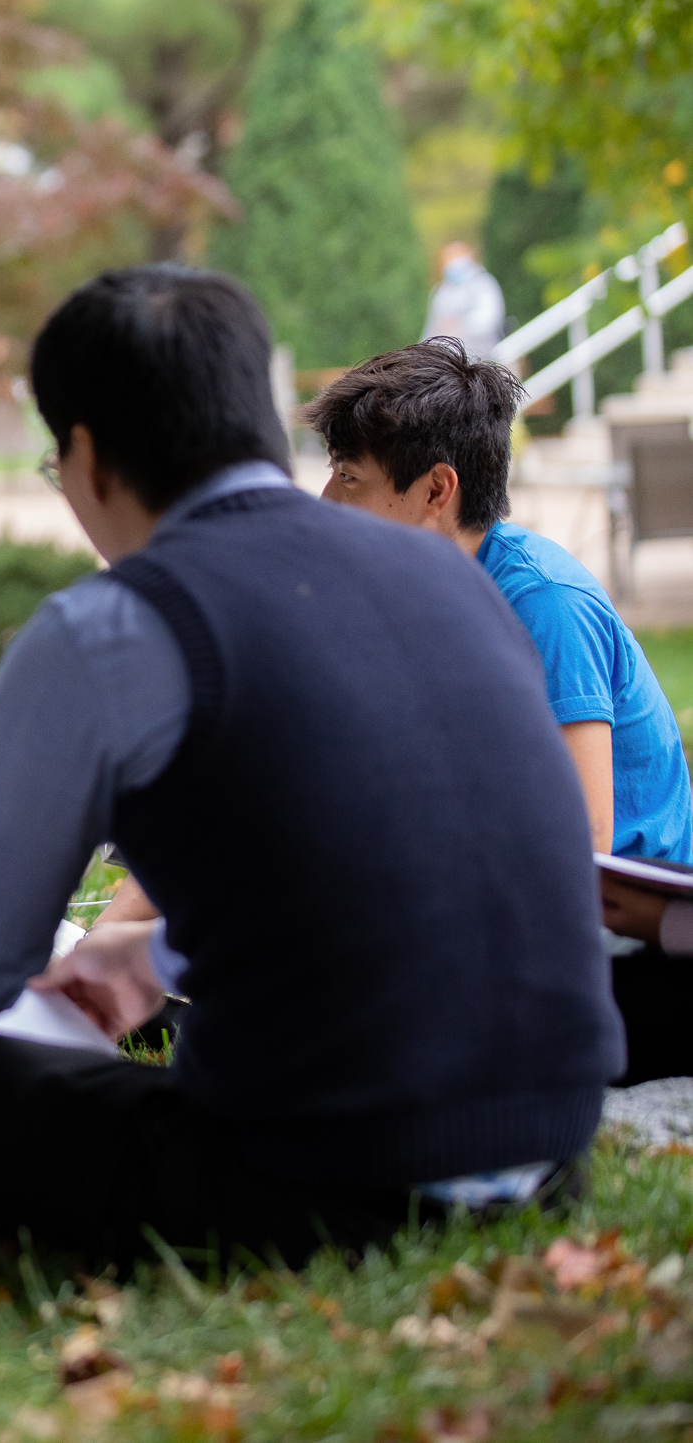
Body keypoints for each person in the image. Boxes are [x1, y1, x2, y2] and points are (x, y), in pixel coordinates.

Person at [0, 265, 620, 1270]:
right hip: (548, 1144)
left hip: (322, 1166)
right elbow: (395, 855)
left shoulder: (112, 622)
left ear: (86, 456)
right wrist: (152, 958)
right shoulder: (450, 574)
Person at [305, 339, 693, 1083]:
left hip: (612, 939)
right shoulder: (414, 593)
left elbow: (582, 842)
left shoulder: (543, 603)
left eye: (349, 477)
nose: (326, 501)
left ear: (435, 490)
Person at [422, 241, 508, 359]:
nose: (454, 264)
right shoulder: (440, 293)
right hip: (450, 362)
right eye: (449, 259)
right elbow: (431, 329)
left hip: (484, 356)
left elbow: (488, 321)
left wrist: (460, 325)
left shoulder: (483, 283)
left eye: (457, 257)